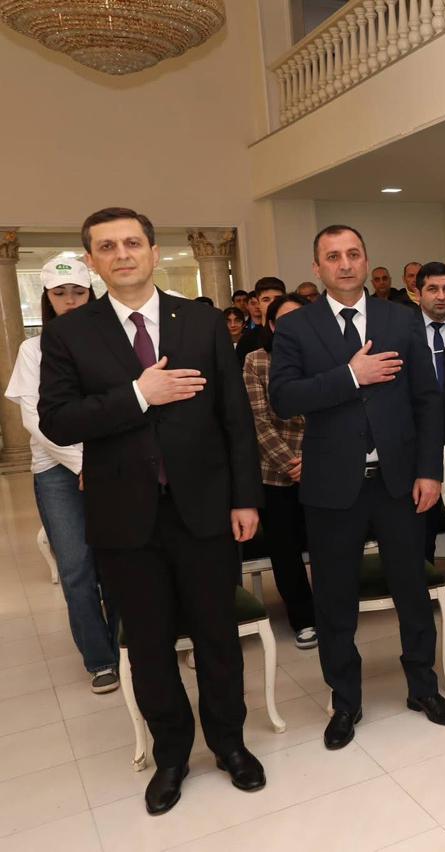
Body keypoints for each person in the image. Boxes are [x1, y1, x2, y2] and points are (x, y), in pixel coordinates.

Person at [39, 207, 265, 815]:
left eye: (132, 243)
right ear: (92, 261)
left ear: (154, 252)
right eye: (107, 246)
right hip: (123, 516)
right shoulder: (69, 334)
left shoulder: (202, 320)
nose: (122, 254)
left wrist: (245, 497)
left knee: (218, 636)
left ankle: (230, 744)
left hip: (205, 509)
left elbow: (235, 418)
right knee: (148, 644)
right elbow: (57, 419)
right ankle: (171, 756)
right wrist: (140, 394)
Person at [269, 224, 445, 751]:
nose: (346, 264)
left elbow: (427, 400)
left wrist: (429, 471)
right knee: (335, 600)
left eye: (353, 254)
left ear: (366, 258)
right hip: (332, 487)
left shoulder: (402, 318)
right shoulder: (297, 327)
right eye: (333, 256)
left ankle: (423, 687)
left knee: (412, 592)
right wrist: (350, 376)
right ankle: (345, 701)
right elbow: (283, 398)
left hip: (399, 482)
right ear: (317, 268)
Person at [5, 258, 119, 693]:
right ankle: (100, 659)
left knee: (120, 560)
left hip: (109, 462)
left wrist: (98, 462)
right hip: (57, 470)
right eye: (60, 293)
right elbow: (36, 419)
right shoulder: (33, 351)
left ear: (91, 294)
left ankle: (128, 644)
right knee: (76, 567)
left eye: (78, 292)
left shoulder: (109, 343)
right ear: (47, 299)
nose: (70, 301)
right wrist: (82, 464)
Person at [242, 293, 317, 649]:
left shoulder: (325, 356)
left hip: (323, 465)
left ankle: (332, 609)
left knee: (328, 543)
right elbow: (258, 422)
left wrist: (314, 460)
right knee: (285, 550)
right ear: (271, 325)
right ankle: (303, 619)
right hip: (275, 472)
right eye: (284, 321)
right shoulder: (256, 361)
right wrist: (292, 463)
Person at [414, 261, 445, 590]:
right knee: (423, 518)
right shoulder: (403, 330)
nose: (441, 296)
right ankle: (424, 588)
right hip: (418, 437)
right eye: (432, 289)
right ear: (417, 293)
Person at [236, 277, 287, 362]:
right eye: (266, 300)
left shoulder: (295, 333)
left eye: (277, 299)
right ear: (258, 304)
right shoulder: (247, 340)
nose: (272, 303)